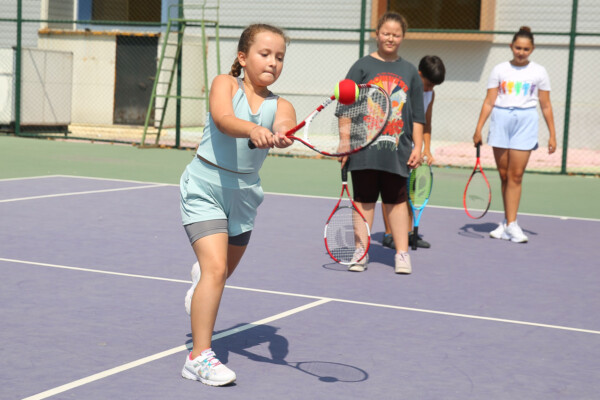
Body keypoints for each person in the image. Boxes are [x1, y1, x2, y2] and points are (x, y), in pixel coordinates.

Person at [179, 23, 296, 386]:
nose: (273, 62)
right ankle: (198, 358)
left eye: (279, 57)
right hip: (205, 188)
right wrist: (252, 129)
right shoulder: (224, 83)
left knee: (220, 274)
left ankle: (201, 283)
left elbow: (286, 123)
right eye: (265, 54)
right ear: (242, 58)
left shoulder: (282, 104)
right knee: (215, 270)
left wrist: (283, 135)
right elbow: (223, 119)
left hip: (244, 198)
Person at [341, 11, 425, 274]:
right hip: (363, 149)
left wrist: (419, 147)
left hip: (397, 152)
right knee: (363, 200)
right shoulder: (361, 66)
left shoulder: (410, 72)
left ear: (402, 37)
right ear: (377, 34)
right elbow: (345, 105)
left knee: (397, 202)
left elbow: (418, 116)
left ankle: (402, 254)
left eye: (396, 35)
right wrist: (345, 140)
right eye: (386, 33)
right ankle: (360, 251)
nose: (390, 38)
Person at [473, 26, 557, 243]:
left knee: (516, 175)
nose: (521, 52)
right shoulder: (499, 69)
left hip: (526, 121)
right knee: (503, 174)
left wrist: (552, 135)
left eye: (526, 49)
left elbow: (546, 105)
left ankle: (512, 224)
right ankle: (506, 221)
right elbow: (490, 100)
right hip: (500, 120)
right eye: (518, 48)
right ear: (511, 47)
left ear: (532, 49)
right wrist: (478, 128)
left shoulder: (539, 72)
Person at [381, 55, 446, 250]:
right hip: (394, 143)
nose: (430, 89)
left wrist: (426, 149)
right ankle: (388, 234)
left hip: (412, 147)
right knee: (391, 189)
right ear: (419, 75)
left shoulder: (430, 95)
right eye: (428, 84)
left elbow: (426, 123)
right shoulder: (402, 89)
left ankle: (408, 233)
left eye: (434, 86)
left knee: (409, 190)